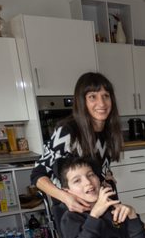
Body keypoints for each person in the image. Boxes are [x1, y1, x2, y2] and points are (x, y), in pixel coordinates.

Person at [30, 72, 123, 214]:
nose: (102, 103)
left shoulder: (109, 131)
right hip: (71, 210)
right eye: (93, 97)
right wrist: (66, 198)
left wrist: (106, 176)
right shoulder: (68, 131)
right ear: (82, 101)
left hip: (98, 203)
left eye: (106, 96)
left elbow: (96, 167)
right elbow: (38, 174)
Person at [57, 155, 145, 238]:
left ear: (99, 179)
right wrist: (94, 216)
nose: (88, 182)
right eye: (77, 180)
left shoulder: (113, 208)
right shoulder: (70, 218)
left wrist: (132, 215)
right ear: (68, 192)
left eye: (91, 175)